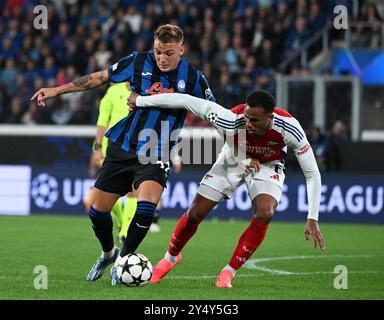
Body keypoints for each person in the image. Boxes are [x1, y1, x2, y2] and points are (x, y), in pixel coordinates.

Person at [31, 24, 216, 285]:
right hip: (123, 145)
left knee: (147, 206)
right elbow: (99, 78)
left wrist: (240, 148)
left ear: (181, 51)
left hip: (156, 150)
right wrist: (56, 90)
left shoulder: (194, 78)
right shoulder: (138, 62)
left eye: (169, 53)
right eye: (159, 51)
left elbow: (214, 111)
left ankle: (124, 261)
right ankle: (109, 253)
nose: (162, 58)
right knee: (97, 211)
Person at [128, 90, 325, 288]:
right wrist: (142, 100)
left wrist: (312, 217)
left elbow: (312, 173)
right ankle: (170, 259)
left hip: (268, 163)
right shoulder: (230, 119)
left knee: (265, 212)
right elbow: (185, 100)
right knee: (196, 212)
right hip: (233, 158)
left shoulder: (290, 128)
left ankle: (228, 272)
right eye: (247, 118)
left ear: (270, 118)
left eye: (255, 121)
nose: (248, 124)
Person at [85, 81, 137, 244]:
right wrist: (98, 147)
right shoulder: (113, 91)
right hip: (111, 149)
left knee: (133, 189)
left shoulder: (145, 91)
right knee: (106, 191)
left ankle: (125, 231)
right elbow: (102, 121)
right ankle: (121, 220)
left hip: (135, 146)